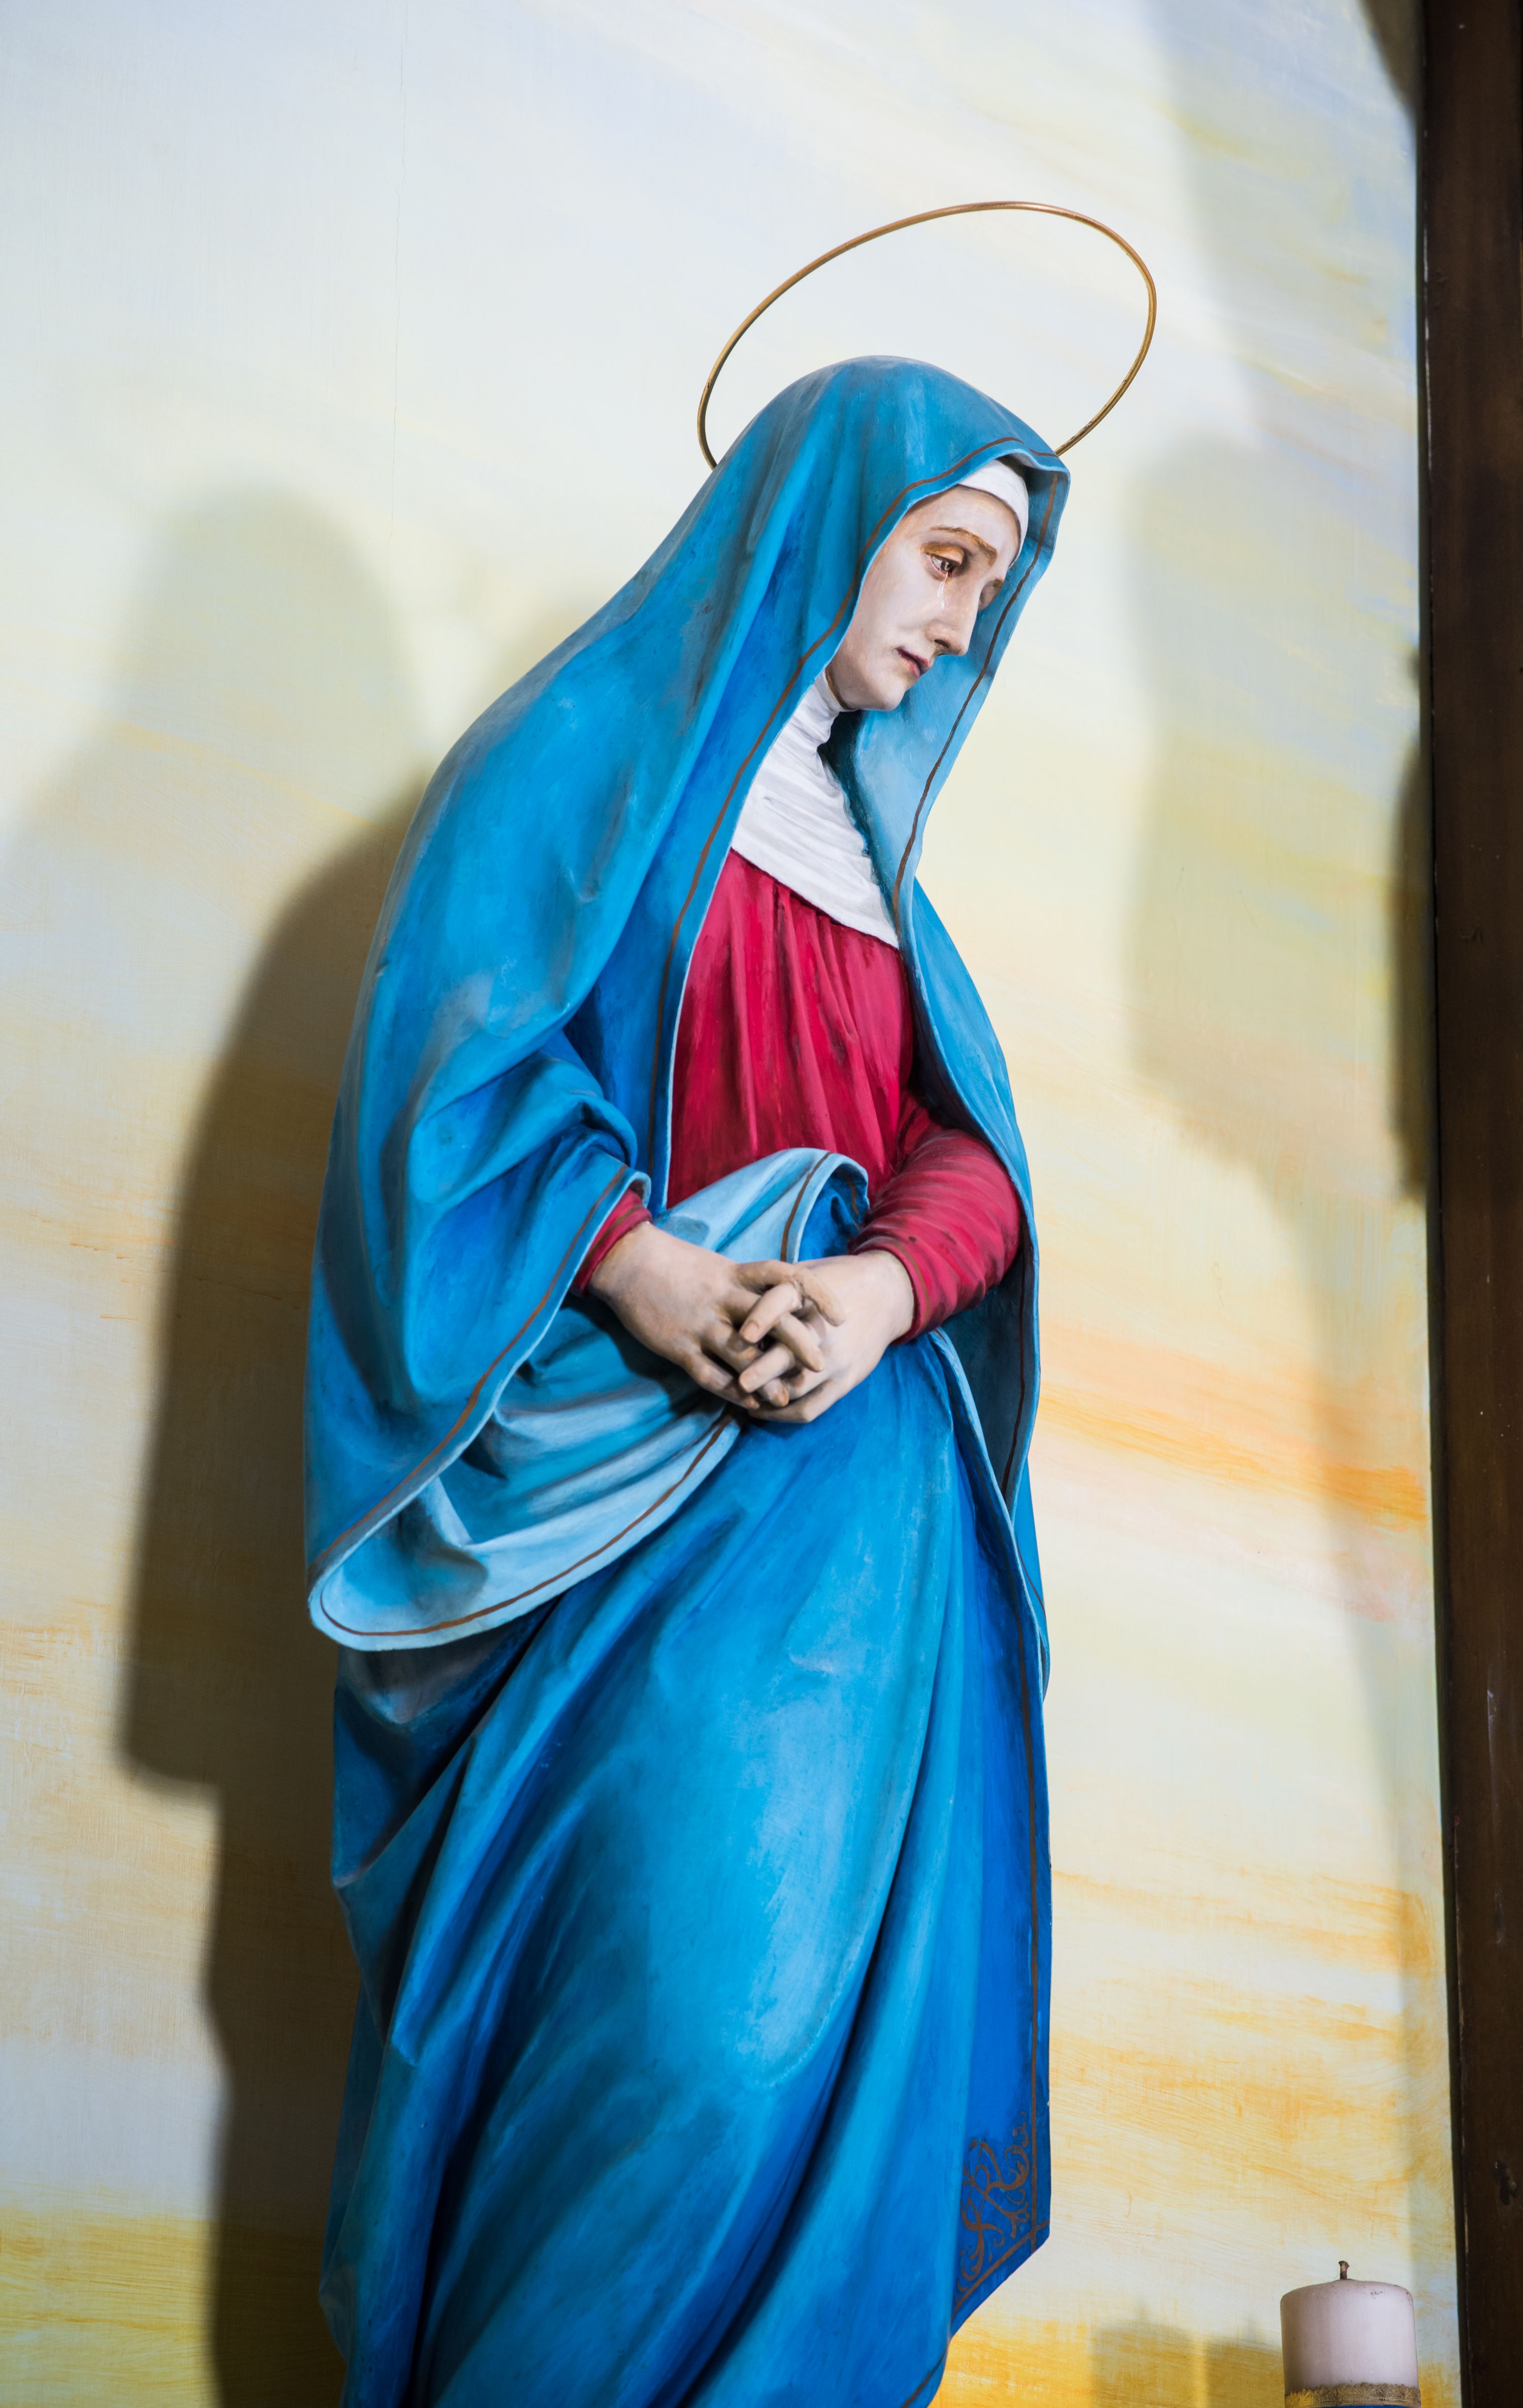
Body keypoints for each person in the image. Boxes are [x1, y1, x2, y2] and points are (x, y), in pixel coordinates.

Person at [306, 355, 1068, 2408]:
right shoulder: (579, 769)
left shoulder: (879, 876)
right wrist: (645, 1272)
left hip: (852, 1547)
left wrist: (880, 1292)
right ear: (831, 518)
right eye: (948, 560)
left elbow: (968, 1151)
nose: (963, 622)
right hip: (604, 1531)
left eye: (991, 585)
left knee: (820, 2075)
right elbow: (445, 1089)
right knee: (676, 2038)